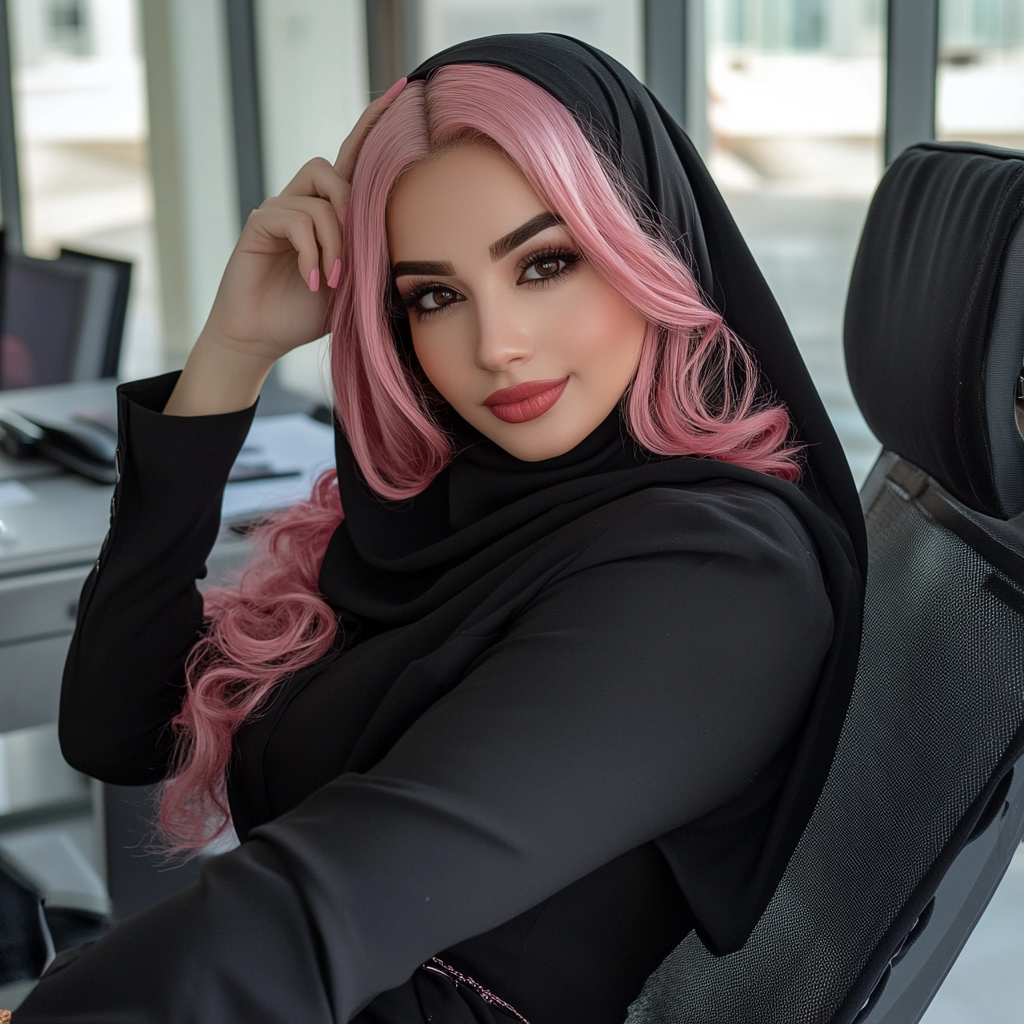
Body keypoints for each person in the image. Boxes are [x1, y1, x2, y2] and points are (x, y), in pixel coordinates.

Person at [14, 35, 864, 1024]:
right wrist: (231, 353)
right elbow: (117, 725)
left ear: (651, 247)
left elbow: (312, 916)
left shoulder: (717, 577)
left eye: (546, 263)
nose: (496, 346)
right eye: (434, 295)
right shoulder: (457, 502)